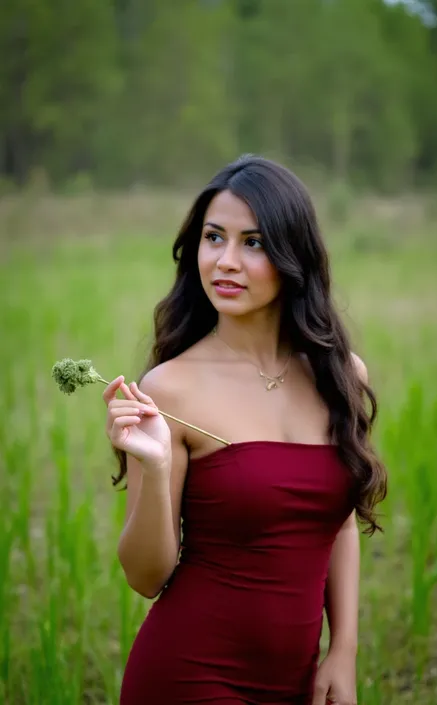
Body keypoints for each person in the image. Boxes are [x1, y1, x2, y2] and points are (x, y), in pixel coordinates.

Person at [103, 155, 387, 705]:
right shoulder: (170, 389)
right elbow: (145, 577)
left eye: (252, 243)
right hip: (191, 674)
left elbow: (340, 527)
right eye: (214, 238)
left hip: (300, 680)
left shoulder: (340, 375)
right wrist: (157, 469)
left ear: (292, 256)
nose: (225, 261)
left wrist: (344, 650)